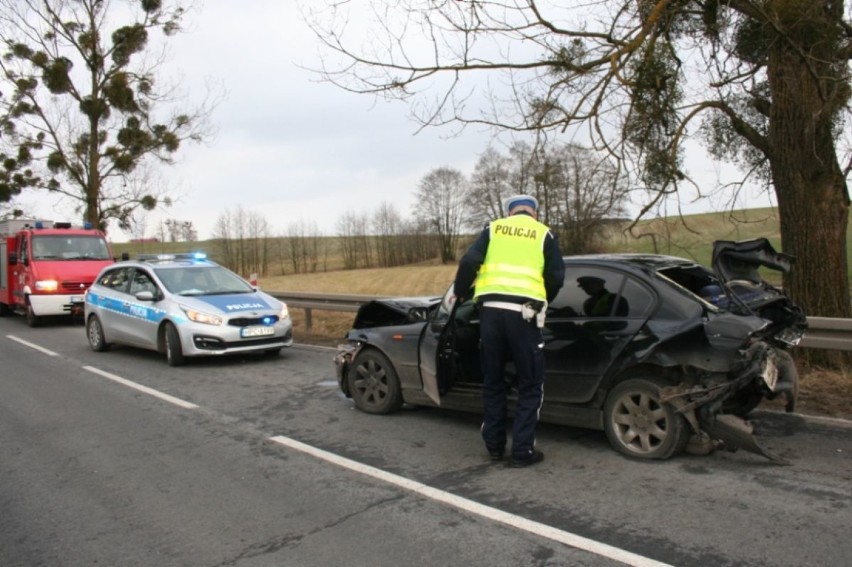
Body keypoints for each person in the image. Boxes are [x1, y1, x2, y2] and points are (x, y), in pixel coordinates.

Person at [453, 194, 564, 467]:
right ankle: (522, 451)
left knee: (493, 382)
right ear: (534, 213)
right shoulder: (543, 234)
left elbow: (468, 262)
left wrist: (459, 292)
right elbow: (557, 276)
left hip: (489, 315)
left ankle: (494, 447)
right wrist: (543, 299)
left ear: (510, 212)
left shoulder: (494, 228)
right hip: (524, 316)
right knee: (530, 385)